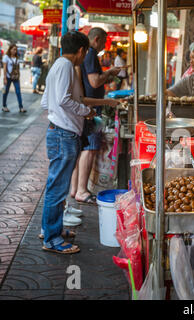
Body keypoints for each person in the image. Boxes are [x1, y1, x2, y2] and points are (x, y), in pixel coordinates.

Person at [40, 31, 119, 254]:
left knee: (58, 186)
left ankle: (51, 229)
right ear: (82, 50)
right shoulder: (66, 66)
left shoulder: (57, 65)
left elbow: (47, 101)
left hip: (60, 131)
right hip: (63, 135)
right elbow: (64, 100)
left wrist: (64, 114)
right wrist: (84, 112)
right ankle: (52, 238)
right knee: (57, 188)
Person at [70, 27, 120, 206]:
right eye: (105, 41)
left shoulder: (86, 55)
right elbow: (94, 81)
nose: (105, 46)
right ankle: (82, 190)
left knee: (82, 149)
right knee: (89, 149)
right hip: (89, 110)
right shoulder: (90, 53)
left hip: (86, 108)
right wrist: (110, 73)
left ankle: (75, 189)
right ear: (96, 39)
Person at [2, 44, 26, 113]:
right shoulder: (6, 57)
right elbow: (4, 68)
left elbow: (17, 68)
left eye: (16, 50)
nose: (15, 51)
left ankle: (21, 107)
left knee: (18, 92)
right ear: (10, 49)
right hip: (8, 77)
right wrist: (5, 78)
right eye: (13, 49)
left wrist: (18, 76)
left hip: (15, 78)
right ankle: (4, 106)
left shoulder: (17, 58)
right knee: (5, 92)